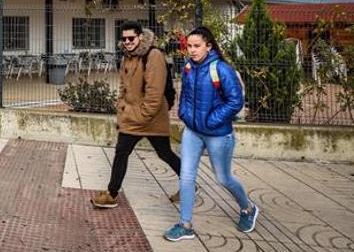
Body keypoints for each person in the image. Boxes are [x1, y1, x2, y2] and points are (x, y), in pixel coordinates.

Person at [164, 26, 258, 242]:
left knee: (223, 178)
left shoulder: (221, 69)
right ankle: (185, 224)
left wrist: (211, 120)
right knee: (186, 177)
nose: (192, 50)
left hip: (218, 135)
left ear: (209, 46)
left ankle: (248, 209)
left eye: (197, 46)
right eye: (189, 46)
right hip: (193, 132)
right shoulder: (188, 67)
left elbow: (235, 101)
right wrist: (185, 114)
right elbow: (185, 95)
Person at [91, 21, 182, 209]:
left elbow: (154, 93)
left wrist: (140, 116)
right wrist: (121, 106)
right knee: (122, 151)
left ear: (140, 37)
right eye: (124, 39)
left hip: (150, 117)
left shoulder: (153, 55)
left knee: (164, 153)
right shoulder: (127, 57)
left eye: (131, 38)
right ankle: (111, 194)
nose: (127, 42)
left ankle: (189, 184)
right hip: (133, 116)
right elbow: (124, 86)